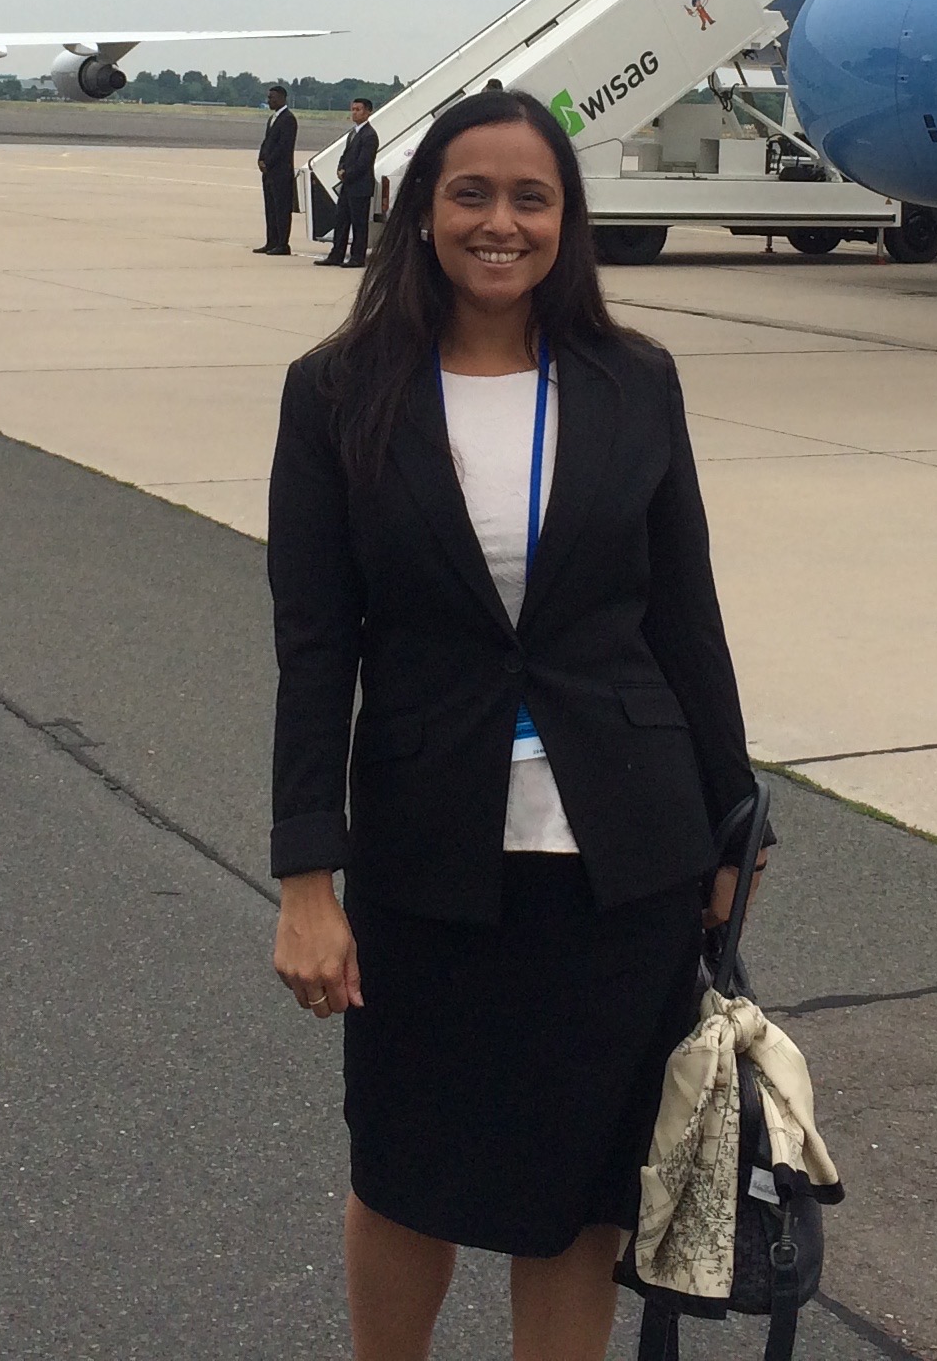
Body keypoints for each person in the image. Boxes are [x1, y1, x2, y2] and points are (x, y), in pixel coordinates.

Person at [266, 90, 761, 1361]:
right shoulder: (338, 392)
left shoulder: (633, 382)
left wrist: (730, 829)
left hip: (623, 863)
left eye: (530, 197)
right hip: (429, 858)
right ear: (422, 213)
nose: (501, 222)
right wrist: (305, 880)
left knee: (580, 1204)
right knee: (402, 1175)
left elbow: (685, 622)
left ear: (566, 219)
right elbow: (317, 650)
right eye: (470, 194)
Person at [321, 95, 379, 269]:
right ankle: (336, 254)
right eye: (353, 109)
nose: (354, 113)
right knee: (341, 220)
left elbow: (364, 162)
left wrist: (347, 173)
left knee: (359, 223)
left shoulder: (369, 135)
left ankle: (357, 257)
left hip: (360, 186)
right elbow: (346, 155)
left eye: (358, 110)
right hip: (348, 186)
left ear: (368, 112)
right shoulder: (354, 133)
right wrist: (340, 167)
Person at [256, 83, 298, 255]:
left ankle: (282, 243)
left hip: (281, 172)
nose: (269, 101)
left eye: (272, 97)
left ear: (282, 98)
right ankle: (271, 241)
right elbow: (267, 142)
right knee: (270, 208)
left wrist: (269, 162)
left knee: (281, 209)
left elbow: (283, 146)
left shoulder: (288, 119)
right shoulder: (272, 119)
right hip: (269, 172)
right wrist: (260, 159)